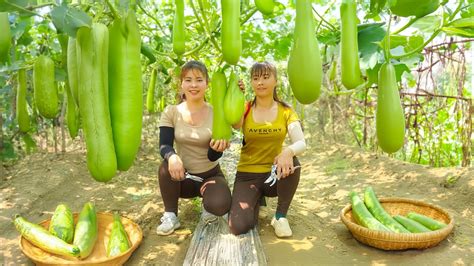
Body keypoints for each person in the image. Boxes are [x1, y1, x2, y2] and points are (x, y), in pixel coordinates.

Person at [228, 61, 306, 238]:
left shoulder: (286, 110)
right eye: (255, 78)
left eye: (265, 77)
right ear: (251, 83)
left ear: (276, 81)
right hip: (247, 174)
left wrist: (287, 152)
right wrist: (236, 93)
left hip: (273, 174)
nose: (260, 82)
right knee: (238, 226)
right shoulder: (245, 107)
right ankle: (257, 199)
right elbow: (235, 124)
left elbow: (301, 142)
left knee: (293, 162)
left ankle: (280, 216)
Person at [157, 60, 232, 235]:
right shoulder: (171, 112)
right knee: (164, 167)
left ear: (207, 83)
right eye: (188, 80)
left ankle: (209, 203)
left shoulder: (217, 113)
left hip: (210, 176)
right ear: (181, 84)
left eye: (199, 80)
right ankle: (171, 215)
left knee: (220, 205)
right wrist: (173, 157)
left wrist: (218, 149)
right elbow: (164, 145)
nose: (193, 85)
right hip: (182, 177)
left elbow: (213, 157)